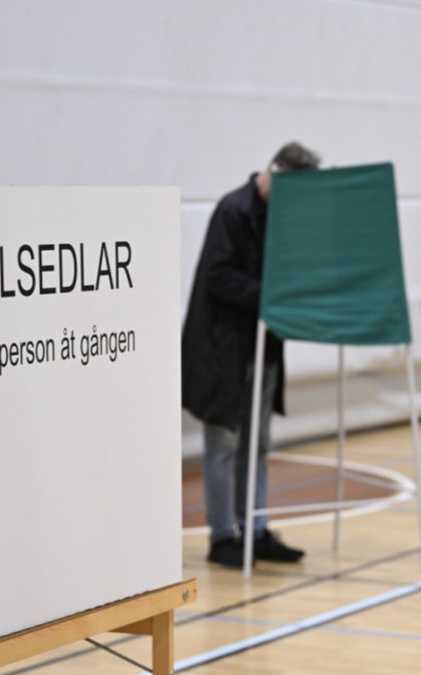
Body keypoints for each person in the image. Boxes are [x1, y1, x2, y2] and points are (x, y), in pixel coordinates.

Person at [182, 141, 318, 566]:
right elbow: (218, 275)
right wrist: (272, 297)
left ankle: (255, 529)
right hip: (224, 347)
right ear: (275, 172)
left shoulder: (281, 214)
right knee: (222, 442)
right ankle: (223, 535)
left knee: (258, 443)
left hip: (262, 345)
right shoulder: (232, 210)